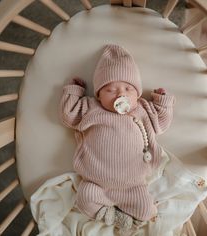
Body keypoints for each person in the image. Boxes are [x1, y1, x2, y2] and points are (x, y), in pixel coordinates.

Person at [59, 44, 175, 234]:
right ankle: (108, 215)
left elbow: (161, 123)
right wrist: (74, 90)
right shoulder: (91, 108)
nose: (121, 94)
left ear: (137, 94)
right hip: (96, 181)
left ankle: (130, 220)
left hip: (134, 184)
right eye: (110, 90)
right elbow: (68, 115)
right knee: (84, 198)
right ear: (98, 95)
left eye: (128, 88)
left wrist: (162, 100)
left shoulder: (143, 109)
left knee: (146, 210)